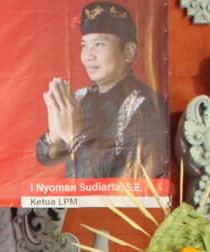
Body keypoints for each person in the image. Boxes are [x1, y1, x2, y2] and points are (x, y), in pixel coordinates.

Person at [34, 1, 167, 179]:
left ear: (128, 51)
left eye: (98, 44)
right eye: (84, 45)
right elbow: (44, 156)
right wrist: (55, 137)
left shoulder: (148, 107)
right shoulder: (81, 99)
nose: (88, 56)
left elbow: (131, 180)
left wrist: (74, 136)